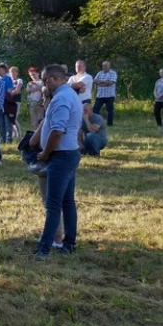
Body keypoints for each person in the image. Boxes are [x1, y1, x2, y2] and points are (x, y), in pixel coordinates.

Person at [32, 64, 84, 258]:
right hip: (69, 153)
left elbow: (57, 131)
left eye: (45, 81)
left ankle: (44, 247)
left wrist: (45, 153)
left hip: (61, 155)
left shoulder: (61, 99)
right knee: (67, 201)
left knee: (53, 204)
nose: (44, 85)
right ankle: (69, 243)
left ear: (54, 78)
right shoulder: (70, 95)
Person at [93, 61, 117, 126]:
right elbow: (94, 81)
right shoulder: (99, 73)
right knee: (95, 110)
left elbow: (111, 83)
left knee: (110, 110)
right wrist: (105, 82)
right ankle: (95, 123)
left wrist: (100, 83)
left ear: (109, 66)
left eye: (106, 66)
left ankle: (110, 124)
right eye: (103, 66)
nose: (104, 67)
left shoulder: (113, 73)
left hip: (109, 95)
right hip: (100, 95)